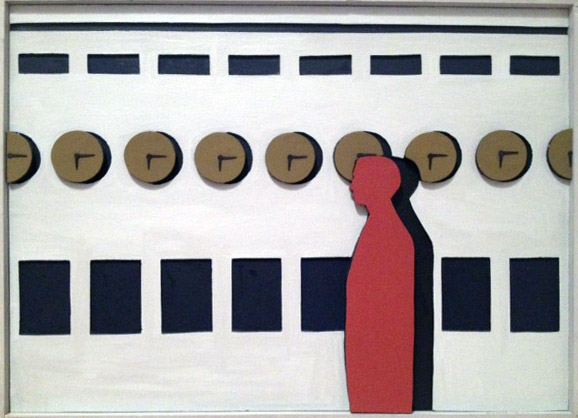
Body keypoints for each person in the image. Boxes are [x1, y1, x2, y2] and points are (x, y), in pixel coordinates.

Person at [346, 156, 415, 414]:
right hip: (370, 344)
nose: (352, 186)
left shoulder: (388, 232)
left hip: (380, 349)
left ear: (379, 184)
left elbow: (389, 305)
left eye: (358, 179)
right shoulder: (382, 227)